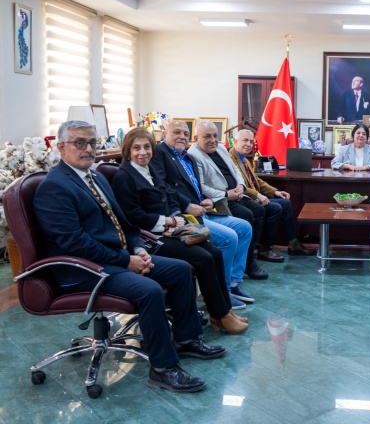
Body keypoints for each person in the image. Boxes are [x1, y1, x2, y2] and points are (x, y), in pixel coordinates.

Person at [34, 120, 225, 393]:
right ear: (61, 147)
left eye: (92, 143)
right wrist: (126, 261)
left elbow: (123, 222)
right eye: (79, 143)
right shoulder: (55, 186)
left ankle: (186, 340)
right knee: (149, 290)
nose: (88, 149)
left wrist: (137, 248)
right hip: (84, 269)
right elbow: (73, 243)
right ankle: (163, 369)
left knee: (180, 269)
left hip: (114, 257)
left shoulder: (96, 177)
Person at [111, 128, 249, 334]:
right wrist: (167, 221)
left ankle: (223, 311)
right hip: (149, 237)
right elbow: (132, 217)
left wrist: (177, 217)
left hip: (170, 228)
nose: (143, 152)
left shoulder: (149, 169)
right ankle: (220, 314)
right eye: (136, 148)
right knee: (204, 258)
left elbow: (170, 194)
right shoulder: (125, 176)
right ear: (127, 151)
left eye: (147, 147)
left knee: (215, 252)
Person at [151, 120, 257, 307]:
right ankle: (223, 291)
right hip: (182, 216)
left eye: (185, 133)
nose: (181, 137)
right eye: (176, 132)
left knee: (244, 227)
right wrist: (187, 205)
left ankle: (233, 282)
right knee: (229, 238)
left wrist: (206, 201)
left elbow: (196, 186)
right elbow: (163, 186)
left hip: (203, 209)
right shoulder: (160, 153)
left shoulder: (187, 157)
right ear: (164, 135)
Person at [189, 121, 282, 266]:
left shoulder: (221, 148)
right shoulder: (193, 155)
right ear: (196, 138)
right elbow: (200, 187)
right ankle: (247, 262)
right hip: (219, 200)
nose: (213, 140)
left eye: (215, 136)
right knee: (248, 215)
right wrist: (226, 194)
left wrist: (241, 185)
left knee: (260, 209)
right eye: (207, 136)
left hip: (238, 194)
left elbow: (236, 171)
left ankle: (250, 257)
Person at [229, 129, 314, 256]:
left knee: (285, 202)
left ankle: (293, 243)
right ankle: (265, 248)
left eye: (251, 141)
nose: (249, 144)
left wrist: (275, 192)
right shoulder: (230, 159)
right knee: (276, 207)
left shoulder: (244, 159)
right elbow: (239, 186)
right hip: (243, 200)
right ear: (235, 141)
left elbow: (256, 180)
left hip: (253, 198)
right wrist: (258, 195)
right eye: (245, 140)